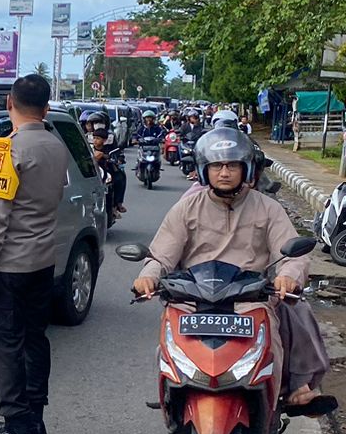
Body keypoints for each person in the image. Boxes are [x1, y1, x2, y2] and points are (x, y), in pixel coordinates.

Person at [131, 128, 332, 414]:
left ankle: (276, 407)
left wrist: (290, 276)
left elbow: (291, 254)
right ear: (204, 170)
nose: (224, 172)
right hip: (194, 301)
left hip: (250, 299)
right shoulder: (186, 208)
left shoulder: (268, 209)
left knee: (286, 321)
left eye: (232, 165)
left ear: (246, 168)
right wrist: (148, 275)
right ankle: (173, 421)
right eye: (216, 165)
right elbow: (161, 254)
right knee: (168, 351)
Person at [0, 74, 69, 434]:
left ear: (9, 102)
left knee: (3, 346)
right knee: (33, 339)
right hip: (43, 262)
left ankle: (15, 431)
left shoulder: (6, 149)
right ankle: (34, 421)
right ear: (45, 107)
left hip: (9, 264)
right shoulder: (56, 145)